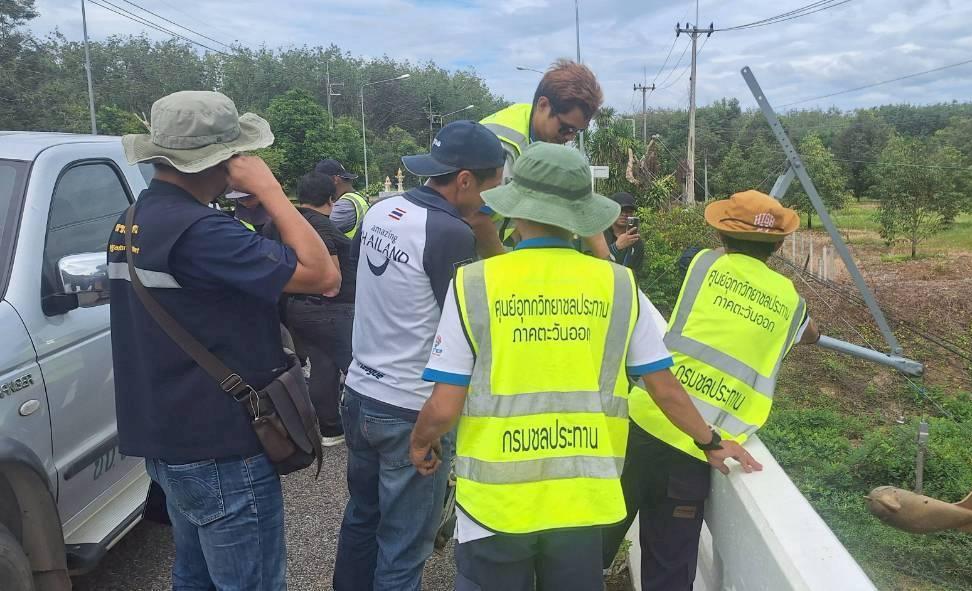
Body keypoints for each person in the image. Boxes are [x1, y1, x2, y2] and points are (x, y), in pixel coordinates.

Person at [408, 143, 761, 591]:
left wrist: (422, 441)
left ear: (517, 212)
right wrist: (710, 441)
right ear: (582, 216)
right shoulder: (619, 285)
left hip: (496, 507)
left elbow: (444, 406)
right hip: (582, 502)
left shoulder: (474, 284)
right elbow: (663, 386)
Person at [108, 90, 338, 590]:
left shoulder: (132, 219)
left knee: (194, 577)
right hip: (222, 449)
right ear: (223, 161)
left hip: (170, 440)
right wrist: (273, 193)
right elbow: (323, 275)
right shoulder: (202, 231)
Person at [601, 190, 821, 590]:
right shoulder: (793, 304)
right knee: (668, 570)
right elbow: (811, 334)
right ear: (778, 244)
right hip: (698, 447)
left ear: (721, 235)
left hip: (642, 424)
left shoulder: (701, 264)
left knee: (590, 544)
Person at [334, 121, 506, 591]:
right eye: (493, 184)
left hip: (359, 391)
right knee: (404, 546)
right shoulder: (450, 232)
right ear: (466, 180)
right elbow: (482, 314)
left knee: (362, 518)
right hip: (410, 407)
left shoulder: (381, 210)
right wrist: (488, 235)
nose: (495, 196)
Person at [477, 58, 611, 260]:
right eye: (566, 128)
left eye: (577, 131)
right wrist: (509, 270)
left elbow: (579, 202)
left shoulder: (544, 140)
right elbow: (476, 217)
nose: (569, 138)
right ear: (543, 105)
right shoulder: (502, 145)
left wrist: (608, 265)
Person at [264, 172, 355, 447]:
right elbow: (331, 278)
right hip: (330, 308)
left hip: (296, 308)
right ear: (332, 198)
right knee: (358, 367)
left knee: (323, 365)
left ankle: (330, 429)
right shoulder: (320, 226)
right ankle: (366, 429)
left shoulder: (277, 225)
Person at [318, 158, 368, 239]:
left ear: (334, 179)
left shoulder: (345, 206)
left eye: (320, 182)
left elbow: (314, 232)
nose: (319, 187)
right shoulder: (356, 197)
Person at [604, 192, 645, 272]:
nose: (624, 214)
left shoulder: (636, 242)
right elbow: (594, 264)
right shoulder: (600, 235)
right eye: (620, 210)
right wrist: (616, 247)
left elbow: (638, 273)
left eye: (629, 211)